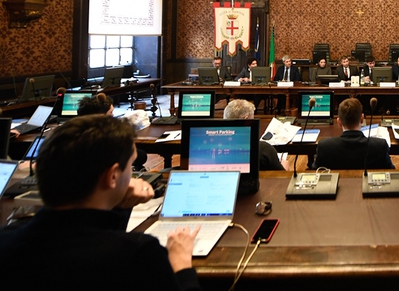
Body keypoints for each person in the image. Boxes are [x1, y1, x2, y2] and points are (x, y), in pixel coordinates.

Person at [0, 115, 202, 291]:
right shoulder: (138, 254)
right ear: (113, 175)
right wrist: (182, 266)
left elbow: (92, 235)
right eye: (131, 166)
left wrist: (119, 206)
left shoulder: (6, 239)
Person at [311, 98, 394, 170]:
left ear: (339, 122)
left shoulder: (324, 146)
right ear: (362, 119)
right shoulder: (380, 145)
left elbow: (316, 172)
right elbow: (391, 171)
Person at [76, 93, 149, 171]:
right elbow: (141, 157)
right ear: (102, 116)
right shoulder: (108, 138)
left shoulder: (73, 135)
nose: (113, 115)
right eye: (111, 112)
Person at [223, 99, 286, 171]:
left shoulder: (215, 147)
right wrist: (285, 167)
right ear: (246, 120)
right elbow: (280, 176)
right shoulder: (263, 149)